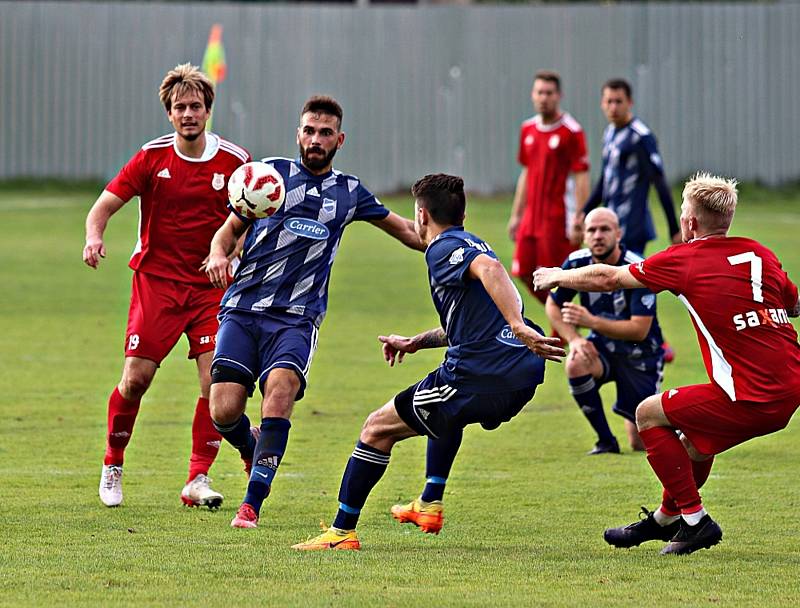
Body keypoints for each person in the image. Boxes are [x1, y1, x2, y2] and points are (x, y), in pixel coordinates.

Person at [291, 173, 565, 551]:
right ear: (462, 214)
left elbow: (490, 269)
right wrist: (416, 342)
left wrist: (518, 325)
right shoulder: (469, 240)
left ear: (421, 214)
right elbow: (467, 321)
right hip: (522, 373)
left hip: (480, 375)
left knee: (375, 429)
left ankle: (340, 534)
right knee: (446, 410)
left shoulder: (442, 248)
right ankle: (429, 502)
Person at [534, 172, 800, 555]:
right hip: (789, 388)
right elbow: (792, 305)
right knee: (693, 441)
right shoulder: (761, 253)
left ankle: (695, 520)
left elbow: (609, 278)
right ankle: (664, 519)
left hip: (750, 393)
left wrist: (557, 275)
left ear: (689, 223)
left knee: (647, 415)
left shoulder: (685, 259)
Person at [203, 95, 426, 529]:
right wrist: (217, 257)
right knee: (223, 411)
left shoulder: (349, 192)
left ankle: (251, 504)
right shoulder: (268, 177)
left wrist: (450, 238)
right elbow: (226, 233)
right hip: (244, 309)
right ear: (298, 134)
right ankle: (251, 448)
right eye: (309, 130)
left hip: (297, 319)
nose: (316, 139)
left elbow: (406, 231)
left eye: (325, 133)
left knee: (280, 393)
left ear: (339, 139)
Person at [83, 63, 251, 508]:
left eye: (196, 106)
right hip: (156, 283)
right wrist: (94, 236)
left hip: (210, 288)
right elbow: (103, 205)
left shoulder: (235, 162)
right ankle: (113, 463)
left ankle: (198, 479)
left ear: (208, 110)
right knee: (135, 379)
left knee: (215, 388)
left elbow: (250, 220)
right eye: (180, 107)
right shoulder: (151, 157)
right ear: (170, 114)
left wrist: (232, 253)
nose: (188, 114)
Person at [545, 208, 664, 455]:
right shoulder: (576, 263)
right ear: (584, 236)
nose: (598, 235)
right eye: (591, 230)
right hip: (603, 349)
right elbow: (553, 305)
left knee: (640, 442)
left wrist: (590, 321)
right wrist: (575, 339)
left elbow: (639, 330)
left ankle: (683, 426)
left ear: (618, 234)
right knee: (576, 363)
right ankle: (606, 441)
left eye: (605, 229)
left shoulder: (637, 266)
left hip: (640, 355)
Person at [507, 70, 590, 304]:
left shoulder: (571, 131)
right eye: (539, 92)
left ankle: (561, 331)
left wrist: (579, 219)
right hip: (531, 217)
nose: (544, 98)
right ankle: (563, 319)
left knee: (558, 277)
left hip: (557, 218)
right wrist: (516, 214)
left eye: (549, 93)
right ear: (533, 95)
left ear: (559, 95)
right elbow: (526, 172)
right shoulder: (528, 129)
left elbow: (581, 177)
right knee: (522, 271)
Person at [577, 78, 681, 256]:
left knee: (627, 277)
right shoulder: (609, 133)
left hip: (633, 224)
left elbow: (659, 181)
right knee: (607, 278)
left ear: (630, 103)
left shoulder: (640, 137)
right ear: (602, 103)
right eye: (609, 101)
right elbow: (605, 180)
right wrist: (584, 211)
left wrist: (674, 228)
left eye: (619, 101)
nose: (613, 107)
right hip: (610, 220)